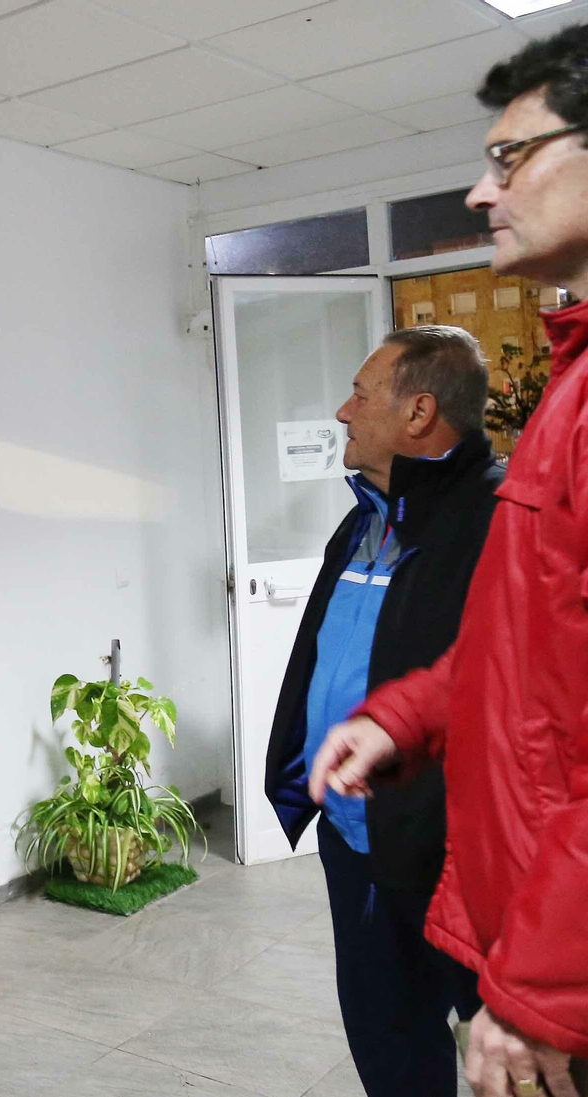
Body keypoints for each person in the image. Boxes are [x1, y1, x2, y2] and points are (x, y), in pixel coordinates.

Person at [309, 24, 588, 1097]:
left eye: (510, 158)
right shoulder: (566, 393)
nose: (481, 193)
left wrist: (540, 989)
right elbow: (529, 660)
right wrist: (405, 714)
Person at [265, 327, 498, 1096]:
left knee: (511, 1056)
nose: (341, 412)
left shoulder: (498, 520)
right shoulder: (363, 520)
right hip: (356, 843)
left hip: (458, 858)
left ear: (419, 411)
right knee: (389, 1044)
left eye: (361, 395)